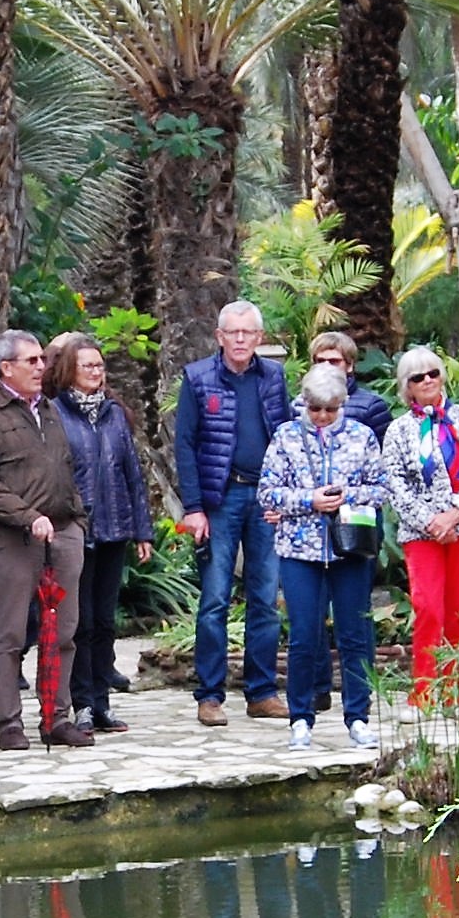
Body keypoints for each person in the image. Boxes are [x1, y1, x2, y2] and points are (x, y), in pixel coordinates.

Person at [0, 331, 89, 752]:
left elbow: (65, 468)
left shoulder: (48, 408)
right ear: (6, 368)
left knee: (64, 632)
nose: (41, 367)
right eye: (31, 361)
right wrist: (28, 517)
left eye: (41, 360)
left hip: (64, 532)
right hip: (15, 537)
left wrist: (77, 520)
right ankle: (9, 723)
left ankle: (56, 717)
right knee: (11, 633)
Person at [168, 301, 289, 726]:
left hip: (266, 499)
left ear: (259, 337)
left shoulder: (273, 377)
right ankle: (210, 696)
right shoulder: (198, 378)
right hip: (220, 501)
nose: (240, 339)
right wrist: (194, 508)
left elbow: (285, 436)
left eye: (247, 332)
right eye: (232, 332)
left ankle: (262, 692)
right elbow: (185, 444)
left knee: (265, 599)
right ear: (219, 336)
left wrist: (285, 496)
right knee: (215, 599)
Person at [258, 368, 387, 751]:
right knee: (303, 636)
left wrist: (348, 495)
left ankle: (358, 717)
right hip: (300, 551)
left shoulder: (361, 436)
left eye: (330, 409)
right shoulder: (286, 436)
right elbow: (267, 492)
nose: (322, 417)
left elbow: (382, 489)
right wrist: (308, 500)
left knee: (354, 635)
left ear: (342, 405)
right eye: (315, 409)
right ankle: (300, 717)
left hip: (349, 548)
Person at [381, 349, 459, 703]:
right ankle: (425, 690)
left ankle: (455, 690)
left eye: (432, 373)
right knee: (429, 608)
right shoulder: (399, 430)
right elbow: (396, 487)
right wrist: (431, 522)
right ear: (407, 386)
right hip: (422, 535)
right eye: (418, 377)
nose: (427, 381)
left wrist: (456, 514)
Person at [46, 334, 150, 736]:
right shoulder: (55, 413)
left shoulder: (114, 414)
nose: (95, 371)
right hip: (76, 529)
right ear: (69, 370)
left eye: (99, 365)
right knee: (80, 621)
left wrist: (142, 530)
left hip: (114, 528)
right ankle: (82, 703)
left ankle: (102, 701)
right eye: (87, 365)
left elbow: (132, 474)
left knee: (105, 620)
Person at [307, 329, 392, 445]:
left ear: (350, 365)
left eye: (334, 361)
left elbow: (384, 449)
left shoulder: (371, 406)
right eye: (320, 361)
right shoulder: (301, 403)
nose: (326, 366)